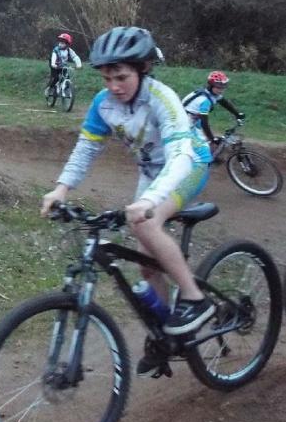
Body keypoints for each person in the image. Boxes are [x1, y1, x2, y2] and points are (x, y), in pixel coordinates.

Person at [39, 26, 214, 374]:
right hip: (151, 174)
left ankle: (196, 299)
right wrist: (61, 189)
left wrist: (150, 200)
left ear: (142, 70)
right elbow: (86, 148)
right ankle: (166, 336)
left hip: (189, 164)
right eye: (107, 78)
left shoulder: (161, 98)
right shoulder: (104, 105)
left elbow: (180, 155)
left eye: (121, 77)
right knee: (147, 266)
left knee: (146, 222)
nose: (114, 86)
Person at [182, 71, 245, 155]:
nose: (221, 90)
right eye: (219, 87)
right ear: (211, 86)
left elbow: (224, 103)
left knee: (207, 139)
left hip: (193, 118)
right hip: (185, 122)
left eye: (223, 87)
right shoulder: (205, 100)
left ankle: (213, 153)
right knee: (201, 148)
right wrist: (212, 139)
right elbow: (205, 123)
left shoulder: (211, 94)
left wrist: (237, 114)